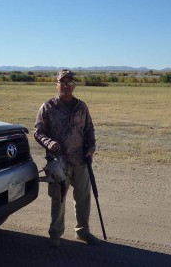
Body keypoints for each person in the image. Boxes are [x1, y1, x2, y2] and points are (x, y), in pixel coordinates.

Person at [34, 69, 100, 247]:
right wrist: (49, 143)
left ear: (74, 85)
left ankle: (83, 231)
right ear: (56, 85)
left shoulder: (81, 107)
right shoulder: (47, 107)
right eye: (62, 82)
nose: (66, 86)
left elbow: (89, 129)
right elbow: (38, 132)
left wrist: (91, 148)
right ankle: (55, 234)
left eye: (70, 83)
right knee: (59, 199)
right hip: (58, 163)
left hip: (80, 161)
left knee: (83, 198)